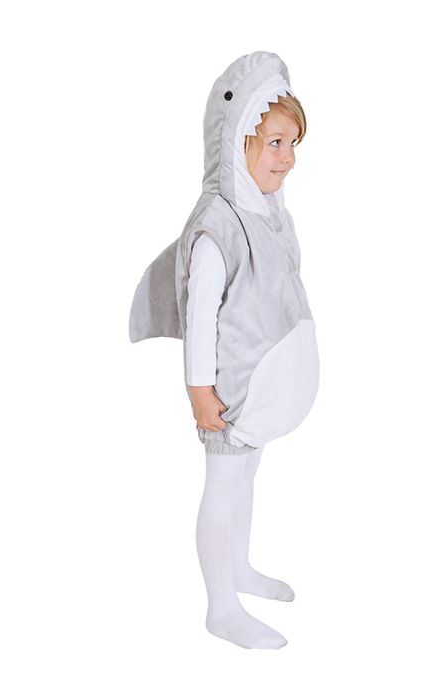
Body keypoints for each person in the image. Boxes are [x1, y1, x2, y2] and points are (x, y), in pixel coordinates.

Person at [128, 51, 319, 649]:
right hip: (228, 395)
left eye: (293, 144)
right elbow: (200, 315)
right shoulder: (218, 226)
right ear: (238, 142)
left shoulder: (268, 214)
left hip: (255, 394)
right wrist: (200, 391)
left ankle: (238, 568)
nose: (288, 159)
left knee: (248, 478)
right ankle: (220, 607)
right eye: (275, 143)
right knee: (223, 484)